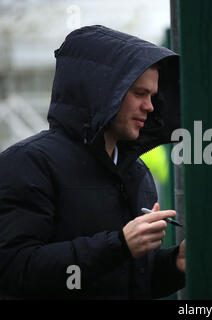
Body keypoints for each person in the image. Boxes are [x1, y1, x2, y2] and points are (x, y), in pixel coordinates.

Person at [0, 25, 185, 299]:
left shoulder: (136, 173)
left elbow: (125, 281)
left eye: (153, 96)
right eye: (139, 93)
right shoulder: (28, 163)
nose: (150, 106)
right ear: (103, 92)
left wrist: (174, 265)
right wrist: (119, 245)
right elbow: (16, 271)